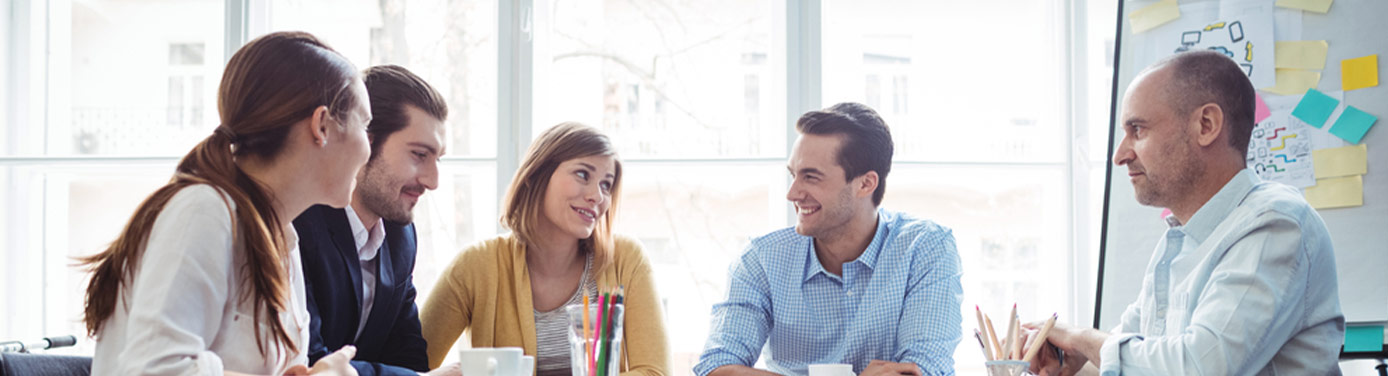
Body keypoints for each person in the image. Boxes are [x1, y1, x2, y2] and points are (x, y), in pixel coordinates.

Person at [1024, 50, 1344, 376]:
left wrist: (1079, 339)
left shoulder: (1276, 225)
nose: (1119, 155)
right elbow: (1142, 361)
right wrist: (1072, 366)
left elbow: (1199, 367)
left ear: (1206, 125)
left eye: (1138, 130)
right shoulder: (1177, 242)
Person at [81, 31, 370, 375]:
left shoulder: (283, 239)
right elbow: (153, 370)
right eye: (365, 125)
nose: (368, 149)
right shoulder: (204, 212)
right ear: (322, 125)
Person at [694, 103, 963, 376]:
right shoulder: (762, 258)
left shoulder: (925, 248)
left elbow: (922, 370)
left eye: (811, 177)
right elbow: (715, 367)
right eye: (793, 175)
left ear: (866, 184)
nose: (793, 193)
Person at [419, 122, 669, 376]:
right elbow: (408, 366)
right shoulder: (475, 266)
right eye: (583, 174)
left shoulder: (627, 260)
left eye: (606, 184)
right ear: (537, 175)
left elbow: (655, 372)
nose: (597, 196)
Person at [293, 65, 459, 376]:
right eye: (419, 155)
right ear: (364, 143)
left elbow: (408, 357)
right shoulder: (300, 225)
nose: (433, 181)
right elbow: (310, 361)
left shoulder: (402, 236)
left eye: (438, 159)